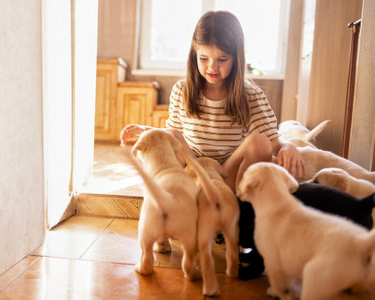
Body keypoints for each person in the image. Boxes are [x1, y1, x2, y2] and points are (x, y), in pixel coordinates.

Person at [120, 10, 305, 279]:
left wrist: (288, 147)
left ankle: (238, 212)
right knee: (171, 141)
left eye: (222, 59)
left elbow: (273, 142)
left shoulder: (251, 95)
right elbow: (174, 134)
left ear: (237, 58)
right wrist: (150, 131)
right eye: (203, 58)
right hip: (195, 173)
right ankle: (172, 224)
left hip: (229, 176)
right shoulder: (183, 90)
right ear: (194, 55)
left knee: (259, 142)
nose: (211, 67)